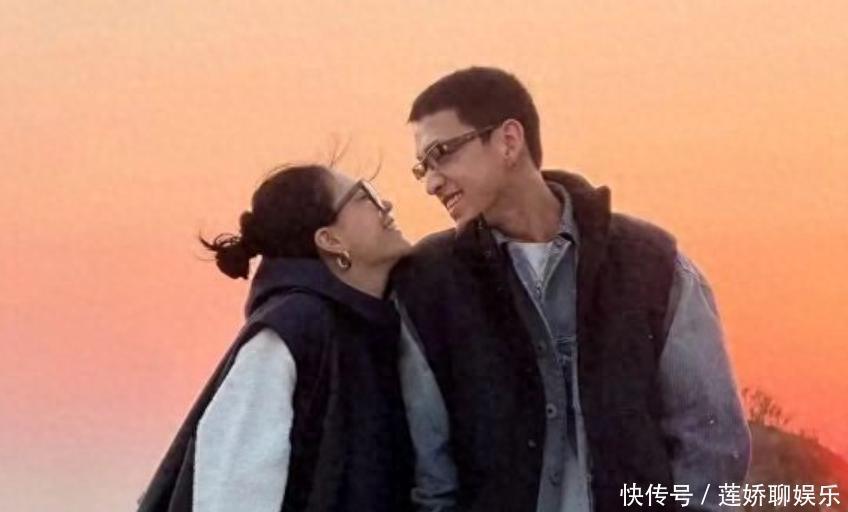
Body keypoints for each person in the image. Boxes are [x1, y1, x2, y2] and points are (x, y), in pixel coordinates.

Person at [393, 67, 752, 512]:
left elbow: (711, 444)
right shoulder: (429, 284)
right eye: (423, 168)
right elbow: (433, 478)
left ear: (508, 141)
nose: (431, 183)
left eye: (441, 154)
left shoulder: (652, 264)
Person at [138, 164, 417, 512]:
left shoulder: (375, 325)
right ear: (330, 240)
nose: (385, 204)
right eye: (364, 197)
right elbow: (232, 487)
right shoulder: (292, 326)